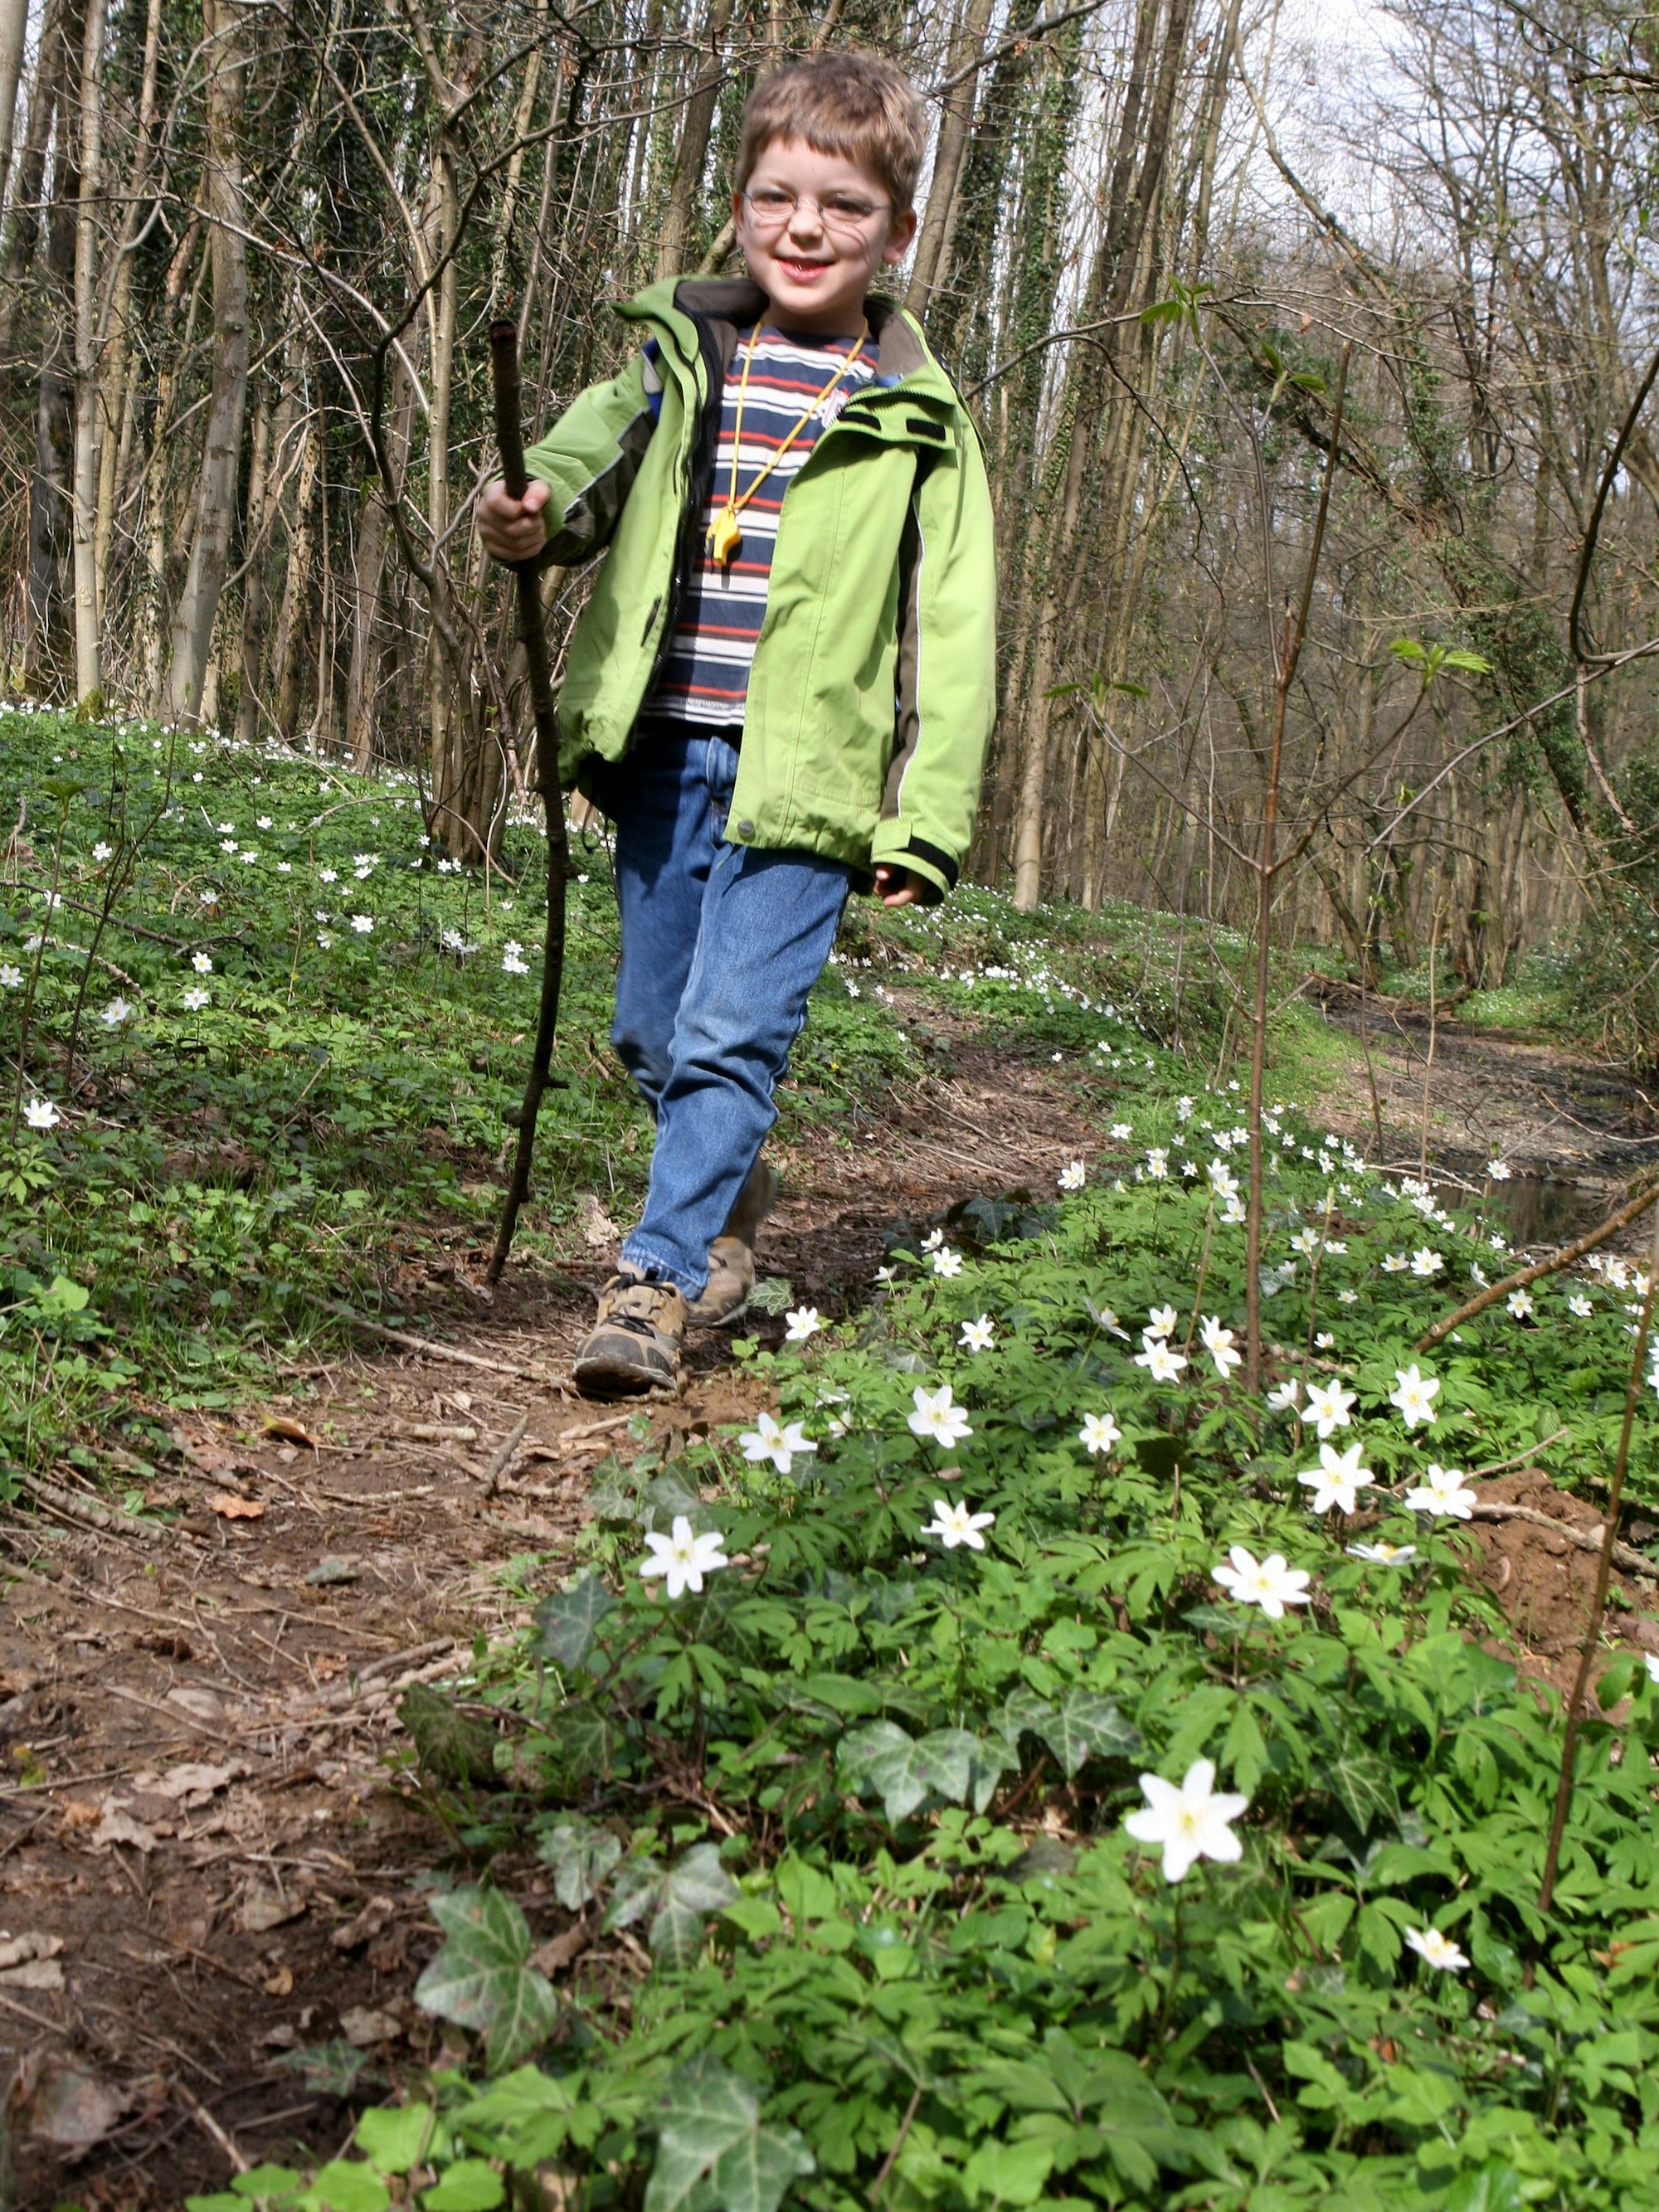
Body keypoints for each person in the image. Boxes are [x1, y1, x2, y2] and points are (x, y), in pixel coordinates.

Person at [476, 49, 997, 1395]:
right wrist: (528, 516)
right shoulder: (677, 360)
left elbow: (954, 627)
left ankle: (654, 1283)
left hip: (807, 786)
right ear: (741, 200)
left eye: (844, 207)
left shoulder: (919, 420)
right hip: (663, 757)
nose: (806, 229)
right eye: (778, 197)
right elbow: (574, 482)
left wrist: (923, 816)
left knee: (728, 1038)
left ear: (899, 231)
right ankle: (729, 1180)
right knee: (655, 1034)